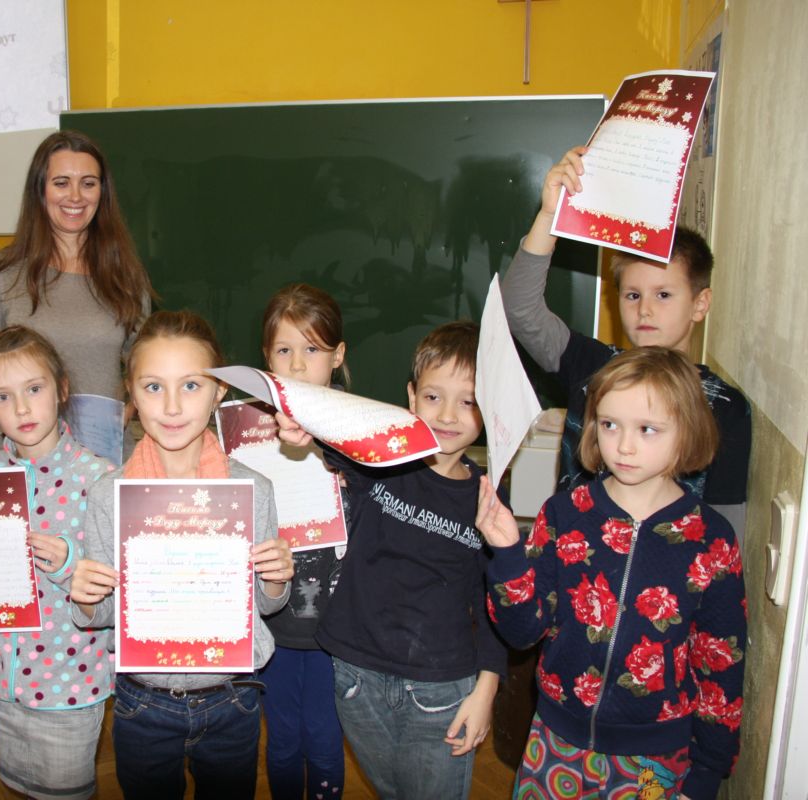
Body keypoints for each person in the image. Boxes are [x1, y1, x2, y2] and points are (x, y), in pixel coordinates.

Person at [475, 347, 745, 800]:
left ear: (687, 430)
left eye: (647, 429)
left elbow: (720, 662)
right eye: (609, 424)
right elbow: (522, 633)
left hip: (656, 758)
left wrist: (707, 773)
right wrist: (506, 553)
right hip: (556, 740)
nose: (623, 445)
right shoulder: (564, 514)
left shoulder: (711, 539)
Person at [70, 311, 294, 799]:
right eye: (153, 387)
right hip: (143, 702)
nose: (171, 406)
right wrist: (85, 598)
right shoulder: (109, 495)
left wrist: (276, 578)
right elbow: (102, 614)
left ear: (219, 393)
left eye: (191, 386)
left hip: (231, 698)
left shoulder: (252, 490)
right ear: (131, 394)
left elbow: (266, 605)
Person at [278, 321, 506, 800]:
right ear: (411, 396)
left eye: (468, 401)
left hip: (440, 690)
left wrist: (485, 691)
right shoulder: (380, 462)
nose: (448, 414)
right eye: (433, 396)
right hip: (357, 676)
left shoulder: (486, 502)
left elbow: (495, 607)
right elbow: (330, 438)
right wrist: (305, 433)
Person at [501, 146, 750, 534]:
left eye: (663, 295)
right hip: (572, 560)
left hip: (663, 571)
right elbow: (519, 309)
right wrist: (550, 215)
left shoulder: (724, 406)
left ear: (700, 303)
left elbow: (726, 528)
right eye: (633, 295)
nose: (645, 309)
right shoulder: (590, 364)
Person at [0, 325, 114, 800]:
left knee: (65, 792)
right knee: (20, 786)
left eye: (34, 389)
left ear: (62, 389)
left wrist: (69, 563)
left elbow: (117, 583)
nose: (22, 408)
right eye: (3, 397)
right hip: (4, 678)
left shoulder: (99, 478)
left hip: (70, 683)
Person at [0, 130, 153, 411]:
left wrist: (130, 408)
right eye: (61, 183)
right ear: (40, 190)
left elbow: (146, 365)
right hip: (22, 438)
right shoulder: (4, 271)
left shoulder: (126, 275)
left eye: (88, 183)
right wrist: (2, 411)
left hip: (102, 438)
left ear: (102, 192)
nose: (75, 196)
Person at [257, 284, 348, 800]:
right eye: (283, 350)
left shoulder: (360, 434)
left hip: (338, 628)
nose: (296, 365)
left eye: (312, 349)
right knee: (284, 739)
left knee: (326, 737)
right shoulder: (246, 432)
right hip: (274, 624)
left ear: (338, 356)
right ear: (266, 358)